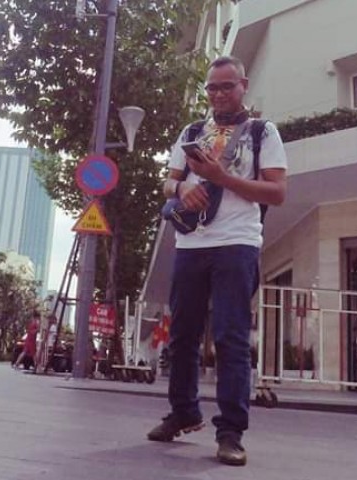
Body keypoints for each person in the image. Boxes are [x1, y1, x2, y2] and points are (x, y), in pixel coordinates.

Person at [147, 55, 287, 467]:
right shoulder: (192, 132)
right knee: (182, 335)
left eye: (228, 86)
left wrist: (222, 178)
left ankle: (230, 433)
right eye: (212, 87)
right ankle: (184, 412)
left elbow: (278, 192)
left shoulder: (262, 132)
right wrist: (181, 189)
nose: (219, 94)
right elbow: (169, 181)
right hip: (191, 243)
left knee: (230, 337)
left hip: (237, 242)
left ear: (244, 86)